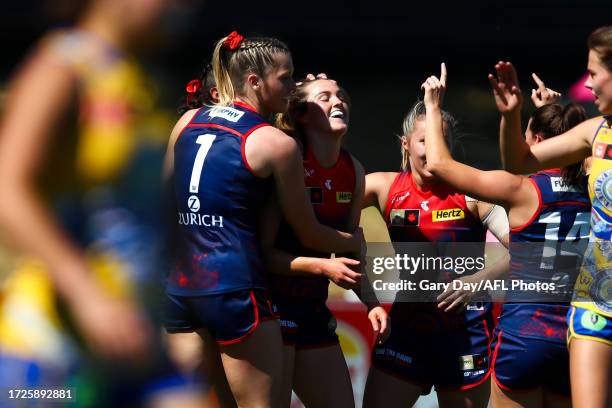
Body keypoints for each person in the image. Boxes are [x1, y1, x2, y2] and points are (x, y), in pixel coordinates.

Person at [0, 0, 205, 406]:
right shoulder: (61, 67)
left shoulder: (139, 81)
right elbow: (7, 189)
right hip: (48, 348)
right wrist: (86, 293)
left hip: (137, 341)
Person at [162, 32, 363, 407]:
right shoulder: (275, 143)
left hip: (179, 287)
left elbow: (162, 203)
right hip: (235, 287)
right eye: (285, 77)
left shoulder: (188, 120)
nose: (291, 85)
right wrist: (352, 242)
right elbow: (310, 232)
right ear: (255, 82)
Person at [422, 64, 591, 407]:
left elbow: (439, 164)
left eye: (526, 138)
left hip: (524, 335)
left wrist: (433, 106)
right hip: (576, 336)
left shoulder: (521, 190)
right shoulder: (594, 187)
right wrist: (549, 114)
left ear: (539, 143)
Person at [488, 26, 612, 408]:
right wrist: (513, 115)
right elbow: (519, 161)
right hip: (595, 303)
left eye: (593, 73)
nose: (587, 84)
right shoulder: (596, 132)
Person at [361, 96, 510, 407]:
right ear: (405, 144)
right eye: (423, 140)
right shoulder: (385, 188)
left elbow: (526, 249)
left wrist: (477, 281)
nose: (431, 149)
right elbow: (325, 205)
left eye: (440, 141)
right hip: (405, 330)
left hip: (464, 334)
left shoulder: (472, 192)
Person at [261, 76, 388, 407]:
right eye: (325, 97)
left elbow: (350, 250)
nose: (338, 101)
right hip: (270, 310)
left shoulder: (354, 170)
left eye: (341, 95)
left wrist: (371, 302)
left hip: (313, 310)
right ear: (302, 115)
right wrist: (320, 265)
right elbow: (260, 254)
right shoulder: (288, 161)